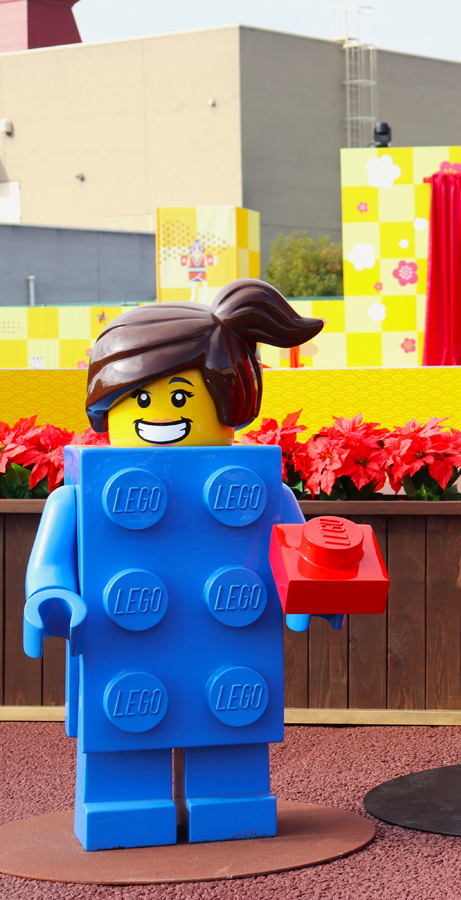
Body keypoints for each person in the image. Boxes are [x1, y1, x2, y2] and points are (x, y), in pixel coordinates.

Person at [24, 280, 361, 851]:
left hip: (232, 655)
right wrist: (51, 598)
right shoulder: (77, 497)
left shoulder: (262, 488)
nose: (160, 413)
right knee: (126, 731)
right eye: (141, 397)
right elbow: (50, 563)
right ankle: (124, 811)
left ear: (226, 400)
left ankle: (230, 805)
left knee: (233, 724)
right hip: (121, 647)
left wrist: (315, 596)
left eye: (181, 396)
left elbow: (299, 557)